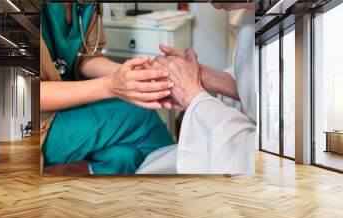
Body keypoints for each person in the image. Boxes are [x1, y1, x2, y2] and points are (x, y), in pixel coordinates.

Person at [40, 3, 174, 174]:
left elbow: (86, 57)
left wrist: (129, 75)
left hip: (69, 106)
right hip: (33, 122)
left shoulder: (88, 5)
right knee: (139, 113)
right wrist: (109, 86)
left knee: (124, 156)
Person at [137, 3, 256, 174]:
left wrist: (191, 94)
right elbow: (257, 86)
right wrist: (199, 74)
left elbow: (254, 158)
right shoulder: (255, 13)